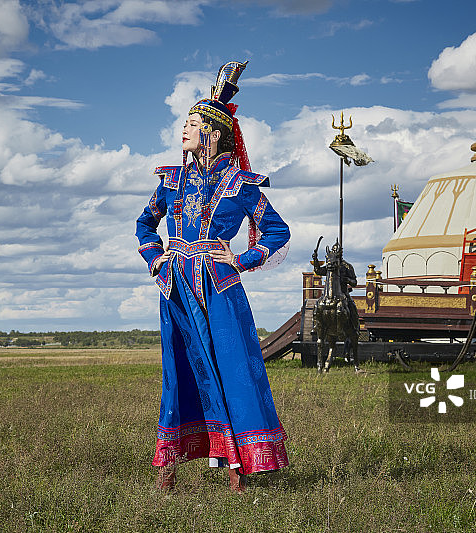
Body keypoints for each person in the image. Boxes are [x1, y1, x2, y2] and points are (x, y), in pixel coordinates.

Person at [135, 61, 291, 493]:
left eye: (192, 123)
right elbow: (145, 223)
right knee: (179, 372)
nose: (183, 129)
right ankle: (168, 465)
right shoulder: (171, 180)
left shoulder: (241, 185)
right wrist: (156, 259)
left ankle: (239, 467)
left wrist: (242, 259)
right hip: (176, 287)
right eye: (185, 123)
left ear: (214, 133)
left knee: (231, 370)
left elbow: (277, 231)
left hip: (219, 288)